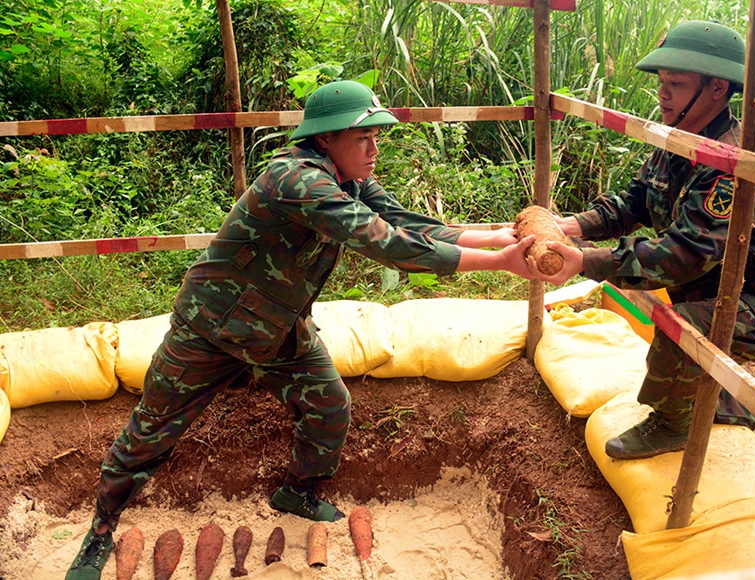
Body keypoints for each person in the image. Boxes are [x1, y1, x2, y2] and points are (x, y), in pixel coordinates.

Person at [66, 79, 536, 580]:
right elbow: (385, 244)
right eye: (364, 138)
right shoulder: (298, 181)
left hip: (279, 327)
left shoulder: (349, 179)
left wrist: (500, 237)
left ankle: (297, 491)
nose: (375, 149)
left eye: (377, 137)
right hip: (212, 327)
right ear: (327, 137)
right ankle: (99, 532)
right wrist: (500, 263)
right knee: (152, 430)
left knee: (329, 405)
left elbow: (404, 223)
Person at [528, 21, 755, 460]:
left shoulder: (731, 165)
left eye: (676, 84)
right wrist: (572, 225)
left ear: (718, 88)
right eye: (662, 83)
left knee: (677, 333)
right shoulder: (677, 143)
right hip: (709, 290)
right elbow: (636, 202)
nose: (662, 95)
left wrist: (586, 261)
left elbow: (685, 255)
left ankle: (670, 427)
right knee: (692, 361)